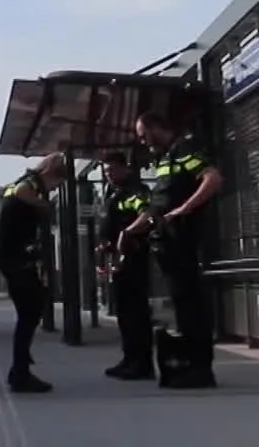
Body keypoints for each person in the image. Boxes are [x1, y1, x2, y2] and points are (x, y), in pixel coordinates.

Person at [114, 110, 224, 389]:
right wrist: (130, 231)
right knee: (183, 307)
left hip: (185, 242)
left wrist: (185, 208)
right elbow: (156, 207)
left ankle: (201, 369)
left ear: (156, 128)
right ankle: (192, 366)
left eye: (143, 135)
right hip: (169, 246)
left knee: (192, 308)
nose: (142, 142)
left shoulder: (184, 149)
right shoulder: (164, 159)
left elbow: (212, 178)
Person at [0, 152, 67, 393]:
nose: (56, 187)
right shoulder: (29, 185)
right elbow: (21, 193)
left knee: (31, 309)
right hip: (16, 260)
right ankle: (20, 372)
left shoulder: (28, 183)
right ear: (50, 173)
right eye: (57, 181)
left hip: (15, 258)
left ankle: (20, 367)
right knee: (30, 310)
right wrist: (43, 205)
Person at [98, 150, 154, 380]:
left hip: (133, 258)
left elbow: (147, 213)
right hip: (118, 260)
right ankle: (129, 358)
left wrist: (127, 233)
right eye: (105, 172)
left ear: (125, 168)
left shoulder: (136, 190)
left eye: (112, 170)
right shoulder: (115, 192)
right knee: (124, 312)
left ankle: (141, 363)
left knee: (135, 312)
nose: (109, 175)